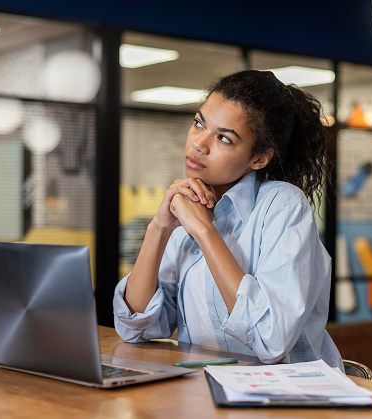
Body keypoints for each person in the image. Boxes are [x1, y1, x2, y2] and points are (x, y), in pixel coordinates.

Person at [113, 70, 343, 370]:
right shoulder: (187, 207)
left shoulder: (284, 207)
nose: (199, 144)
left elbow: (270, 340)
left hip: (286, 401)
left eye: (223, 138)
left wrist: (205, 231)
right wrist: (160, 228)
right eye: (199, 124)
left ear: (259, 158)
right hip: (205, 395)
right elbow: (136, 328)